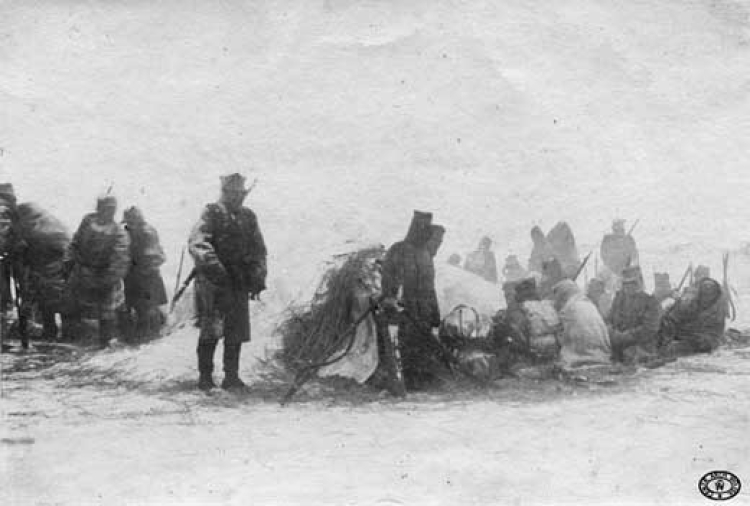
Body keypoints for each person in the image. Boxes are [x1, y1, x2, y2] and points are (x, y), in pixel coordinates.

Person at [189, 173, 267, 391]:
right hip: (214, 283)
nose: (237, 198)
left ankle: (231, 377)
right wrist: (216, 269)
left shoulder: (248, 217)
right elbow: (198, 243)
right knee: (211, 329)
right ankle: (205, 377)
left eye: (240, 194)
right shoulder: (211, 213)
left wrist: (258, 276)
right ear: (224, 193)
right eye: (232, 193)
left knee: (236, 330)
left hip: (239, 282)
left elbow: (258, 249)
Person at [380, 210, 445, 390]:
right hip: (405, 308)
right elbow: (388, 276)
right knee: (406, 343)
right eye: (421, 227)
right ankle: (407, 381)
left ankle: (423, 380)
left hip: (423, 309)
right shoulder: (398, 249)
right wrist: (389, 298)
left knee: (423, 344)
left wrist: (435, 315)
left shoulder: (425, 254)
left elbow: (430, 287)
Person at [66, 194, 130, 348]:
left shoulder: (118, 233)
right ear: (98, 207)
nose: (108, 211)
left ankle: (105, 343)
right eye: (105, 207)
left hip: (103, 276)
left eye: (111, 208)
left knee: (106, 311)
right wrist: (68, 263)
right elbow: (74, 242)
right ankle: (72, 339)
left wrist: (108, 280)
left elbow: (119, 260)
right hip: (82, 271)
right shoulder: (88, 221)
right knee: (71, 305)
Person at [122, 206, 168, 342]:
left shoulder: (147, 233)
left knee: (148, 309)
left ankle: (150, 336)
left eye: (130, 222)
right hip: (134, 274)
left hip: (147, 276)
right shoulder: (129, 231)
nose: (128, 225)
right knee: (133, 307)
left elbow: (153, 256)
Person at [606, 266, 661, 364]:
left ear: (639, 282)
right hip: (617, 347)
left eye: (632, 283)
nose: (628, 286)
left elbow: (649, 329)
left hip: (641, 349)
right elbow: (609, 320)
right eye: (625, 283)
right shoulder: (618, 299)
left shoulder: (650, 302)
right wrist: (612, 333)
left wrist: (624, 337)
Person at [552, 279, 612, 369]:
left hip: (580, 356)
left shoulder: (569, 308)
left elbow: (562, 335)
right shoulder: (589, 304)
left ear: (563, 295)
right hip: (602, 354)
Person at [661, 277, 725, 356]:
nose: (706, 298)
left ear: (715, 295)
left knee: (699, 343)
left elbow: (714, 334)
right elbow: (672, 318)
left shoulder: (717, 311)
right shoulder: (689, 303)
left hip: (702, 339)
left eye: (710, 295)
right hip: (682, 333)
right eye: (704, 295)